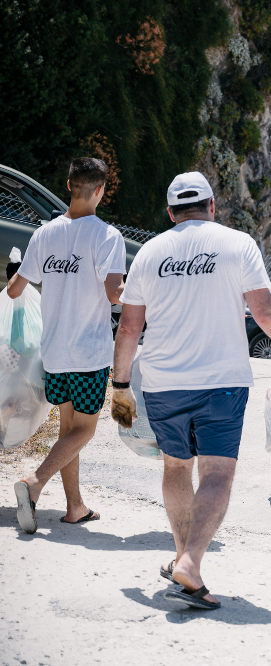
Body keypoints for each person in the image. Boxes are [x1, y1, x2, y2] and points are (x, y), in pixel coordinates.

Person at [110, 172, 271, 611]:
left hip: (162, 382)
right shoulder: (237, 244)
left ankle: (181, 560)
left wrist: (119, 386)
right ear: (212, 206)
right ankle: (189, 563)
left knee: (176, 468)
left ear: (171, 212)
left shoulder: (150, 252)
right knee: (216, 474)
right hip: (221, 384)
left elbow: (130, 326)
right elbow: (264, 313)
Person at [10, 157, 126, 535]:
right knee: (86, 431)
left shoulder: (44, 234)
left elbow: (14, 289)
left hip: (55, 352)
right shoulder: (108, 237)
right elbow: (114, 294)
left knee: (67, 432)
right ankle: (35, 482)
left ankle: (75, 507)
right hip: (89, 354)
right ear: (100, 190)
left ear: (68, 186)